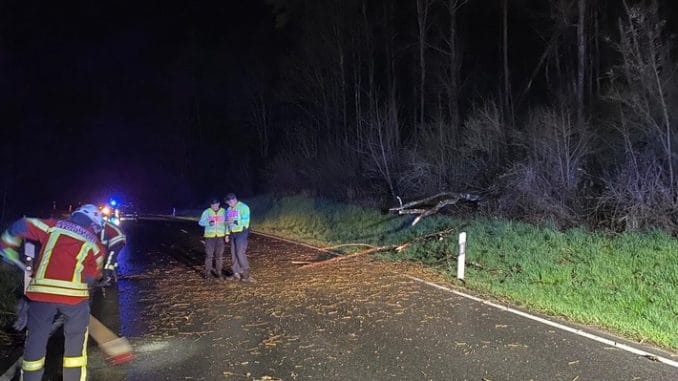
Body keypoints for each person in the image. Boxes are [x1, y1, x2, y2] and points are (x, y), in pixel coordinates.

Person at [0, 204, 106, 381]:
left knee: (35, 342)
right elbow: (91, 276)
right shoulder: (96, 245)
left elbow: (21, 225)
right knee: (75, 348)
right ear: (93, 223)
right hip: (74, 299)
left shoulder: (52, 226)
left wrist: (7, 245)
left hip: (40, 296)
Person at [224, 193, 252, 282]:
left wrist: (240, 225)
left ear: (234, 199)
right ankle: (236, 273)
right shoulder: (228, 209)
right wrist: (227, 234)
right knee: (233, 253)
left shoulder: (243, 207)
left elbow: (246, 220)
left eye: (230, 202)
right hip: (233, 233)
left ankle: (246, 273)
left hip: (241, 232)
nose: (229, 204)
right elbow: (227, 223)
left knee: (240, 252)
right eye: (228, 203)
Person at [198, 197, 226, 280]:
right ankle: (207, 273)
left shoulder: (224, 211)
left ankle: (219, 272)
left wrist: (227, 234)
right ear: (211, 205)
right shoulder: (206, 212)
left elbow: (227, 222)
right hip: (209, 237)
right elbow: (200, 222)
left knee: (219, 256)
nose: (215, 206)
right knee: (209, 256)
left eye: (216, 204)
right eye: (213, 204)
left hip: (220, 236)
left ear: (219, 204)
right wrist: (208, 222)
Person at [99, 219, 127, 286]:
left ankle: (107, 278)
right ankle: (114, 274)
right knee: (112, 257)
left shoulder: (103, 225)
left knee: (109, 260)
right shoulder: (106, 223)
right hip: (120, 239)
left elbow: (103, 242)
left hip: (116, 240)